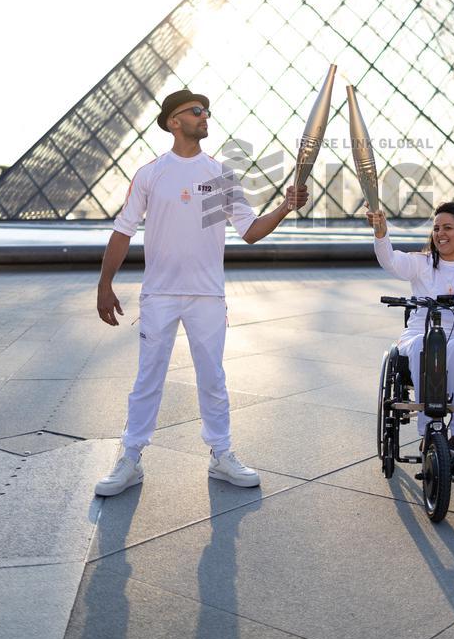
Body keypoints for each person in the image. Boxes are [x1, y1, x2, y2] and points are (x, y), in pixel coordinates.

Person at [94, 88, 308, 496]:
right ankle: (131, 457)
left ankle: (221, 455)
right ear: (174, 122)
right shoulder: (151, 173)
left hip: (208, 296)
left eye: (207, 111)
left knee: (213, 378)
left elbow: (248, 232)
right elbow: (123, 231)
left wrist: (283, 208)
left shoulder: (220, 175)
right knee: (147, 379)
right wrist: (105, 285)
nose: (205, 115)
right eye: (196, 111)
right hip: (159, 294)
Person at [367, 201, 454, 458]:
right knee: (421, 345)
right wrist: (381, 232)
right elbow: (390, 261)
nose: (440, 233)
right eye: (436, 228)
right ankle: (429, 427)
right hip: (419, 332)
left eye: (448, 227)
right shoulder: (421, 263)